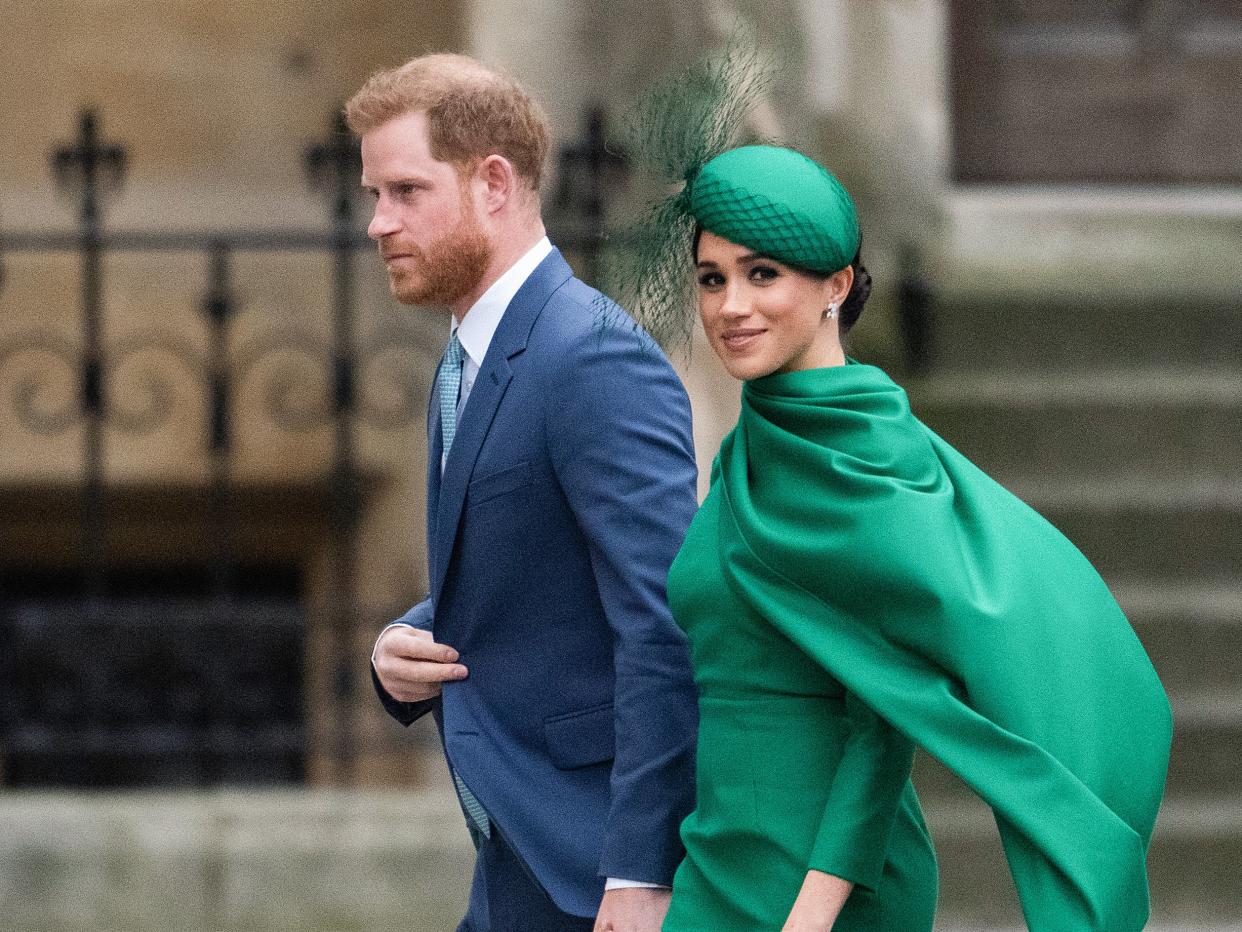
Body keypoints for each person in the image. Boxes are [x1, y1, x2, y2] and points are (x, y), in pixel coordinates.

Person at [641, 144, 1172, 931]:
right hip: (719, 854)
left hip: (824, 883)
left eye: (763, 275)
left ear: (837, 285)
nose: (730, 306)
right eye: (712, 278)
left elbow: (887, 712)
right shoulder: (747, 452)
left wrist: (814, 910)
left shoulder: (868, 458)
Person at [346, 54, 699, 932]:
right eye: (372, 193)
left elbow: (663, 621)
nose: (376, 222)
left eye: (404, 191)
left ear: (493, 182)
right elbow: (535, 574)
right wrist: (407, 642)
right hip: (517, 861)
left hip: (595, 875)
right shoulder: (467, 355)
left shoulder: (592, 356)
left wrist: (641, 867)